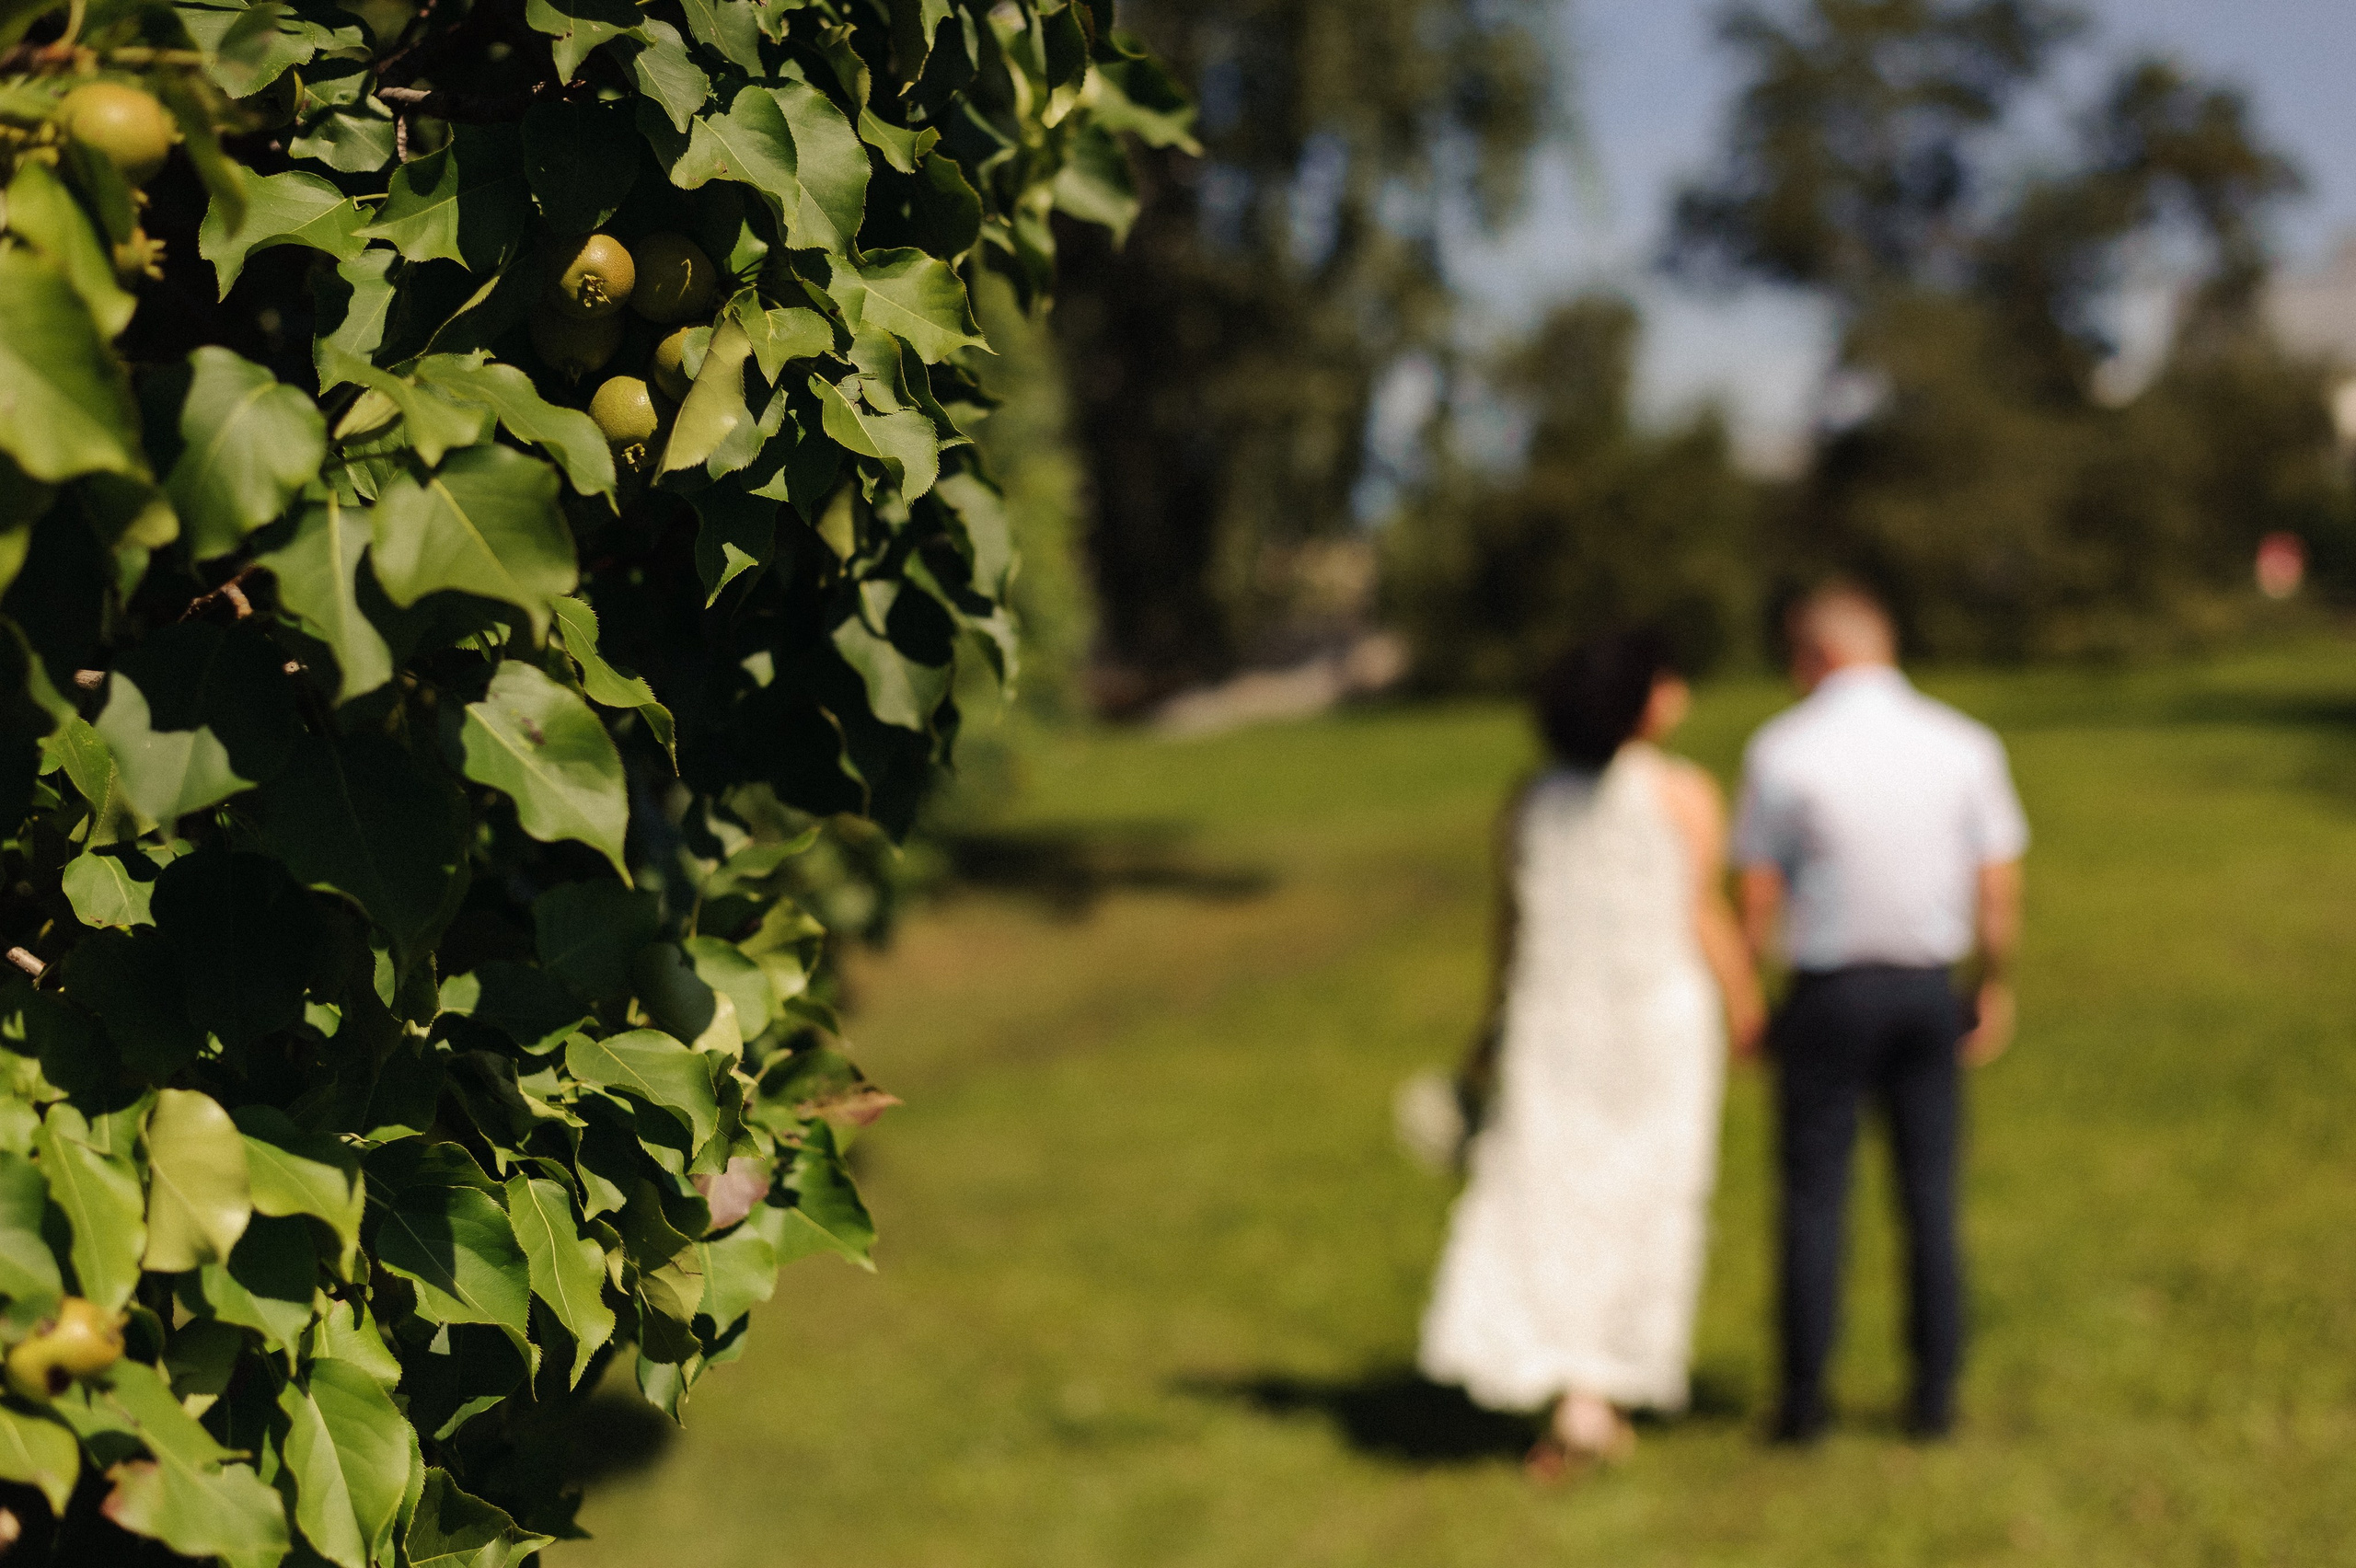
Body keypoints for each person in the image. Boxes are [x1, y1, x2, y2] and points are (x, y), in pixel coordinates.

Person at [1420, 628, 1765, 1479]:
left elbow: (1513, 932)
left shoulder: (1527, 803)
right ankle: (1594, 1387)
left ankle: (1573, 1387)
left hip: (1554, 1026)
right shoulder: (1682, 794)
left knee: (1552, 1194)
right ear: (1643, 703)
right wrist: (1750, 1006)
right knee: (1640, 1194)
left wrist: (1490, 1028)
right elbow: (1705, 914)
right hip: (1654, 1027)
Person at [1732, 583, 2027, 1445]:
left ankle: (1804, 1402)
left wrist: (1749, 997)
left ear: (1815, 654)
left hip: (1827, 991)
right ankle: (1933, 1396)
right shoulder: (1962, 743)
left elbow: (1757, 893)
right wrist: (1991, 983)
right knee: (1930, 1194)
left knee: (1815, 1198)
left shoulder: (1784, 749)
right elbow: (1999, 890)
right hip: (1926, 985)